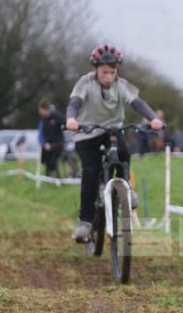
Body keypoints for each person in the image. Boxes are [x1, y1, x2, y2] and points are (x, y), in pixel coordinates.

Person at [65, 44, 164, 242]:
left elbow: (137, 103)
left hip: (111, 130)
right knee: (91, 173)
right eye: (104, 72)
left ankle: (126, 188)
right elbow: (74, 103)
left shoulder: (122, 85)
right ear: (95, 69)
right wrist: (71, 119)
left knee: (124, 154)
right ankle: (85, 222)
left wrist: (153, 118)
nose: (109, 77)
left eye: (112, 72)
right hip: (87, 133)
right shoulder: (85, 83)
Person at [37, 98, 66, 178]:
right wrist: (45, 143)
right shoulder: (43, 119)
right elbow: (42, 133)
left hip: (57, 145)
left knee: (54, 162)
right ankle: (49, 178)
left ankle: (56, 178)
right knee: (47, 162)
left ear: (45, 109)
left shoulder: (56, 116)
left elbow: (65, 123)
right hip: (47, 145)